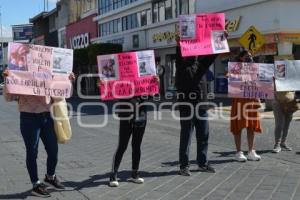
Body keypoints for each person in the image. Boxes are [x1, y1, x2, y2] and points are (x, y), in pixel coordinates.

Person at [2, 69, 75, 198]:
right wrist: (8, 79)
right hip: (28, 117)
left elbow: (58, 97)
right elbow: (9, 97)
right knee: (32, 151)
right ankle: (35, 184)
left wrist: (67, 81)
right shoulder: (20, 72)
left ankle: (50, 177)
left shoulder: (48, 72)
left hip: (47, 116)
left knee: (53, 150)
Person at [175, 32, 228, 176]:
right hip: (186, 106)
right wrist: (179, 44)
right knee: (186, 136)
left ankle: (202, 164)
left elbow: (212, 55)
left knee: (203, 135)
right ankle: (183, 166)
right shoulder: (181, 66)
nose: (195, 54)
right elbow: (179, 56)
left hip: (202, 106)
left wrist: (221, 38)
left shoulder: (201, 65)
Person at [105, 76, 159, 187]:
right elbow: (111, 87)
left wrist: (155, 83)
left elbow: (152, 96)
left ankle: (135, 173)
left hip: (141, 114)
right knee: (122, 145)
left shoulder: (145, 75)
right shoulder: (122, 74)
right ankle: (113, 174)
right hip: (126, 113)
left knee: (136, 145)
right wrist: (102, 84)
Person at [230, 50, 262, 162]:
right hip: (239, 101)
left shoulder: (254, 69)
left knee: (251, 126)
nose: (249, 57)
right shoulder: (235, 68)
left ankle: (251, 151)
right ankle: (238, 152)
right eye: (246, 56)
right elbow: (231, 81)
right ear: (241, 58)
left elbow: (258, 84)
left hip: (251, 101)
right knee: (238, 127)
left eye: (250, 56)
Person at [272, 87, 295, 153]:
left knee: (287, 124)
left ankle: (282, 143)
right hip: (278, 101)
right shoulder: (274, 77)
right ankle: (277, 145)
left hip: (290, 100)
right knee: (279, 124)